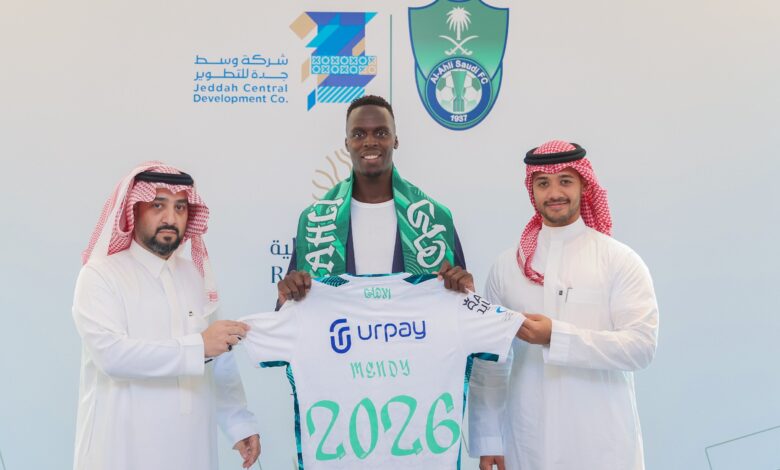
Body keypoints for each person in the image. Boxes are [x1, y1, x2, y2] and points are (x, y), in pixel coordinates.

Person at [468, 141, 659, 470]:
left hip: (603, 444)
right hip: (528, 440)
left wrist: (555, 337)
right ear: (532, 191)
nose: (554, 192)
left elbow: (641, 347)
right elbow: (491, 361)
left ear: (584, 185)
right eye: (543, 183)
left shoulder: (619, 260)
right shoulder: (507, 267)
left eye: (565, 181)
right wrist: (489, 440)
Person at [72, 162, 260, 470]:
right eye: (158, 205)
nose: (171, 218)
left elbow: (219, 355)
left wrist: (238, 422)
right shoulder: (101, 275)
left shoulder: (196, 276)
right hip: (123, 450)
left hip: (192, 448)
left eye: (180, 207)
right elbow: (112, 356)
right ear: (133, 210)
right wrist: (199, 346)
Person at [277, 95, 472, 303]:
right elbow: (291, 310)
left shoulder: (434, 219)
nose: (369, 142)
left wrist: (465, 291)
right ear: (347, 143)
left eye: (381, 133)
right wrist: (286, 298)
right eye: (358, 134)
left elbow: (460, 306)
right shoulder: (316, 220)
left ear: (395, 140)